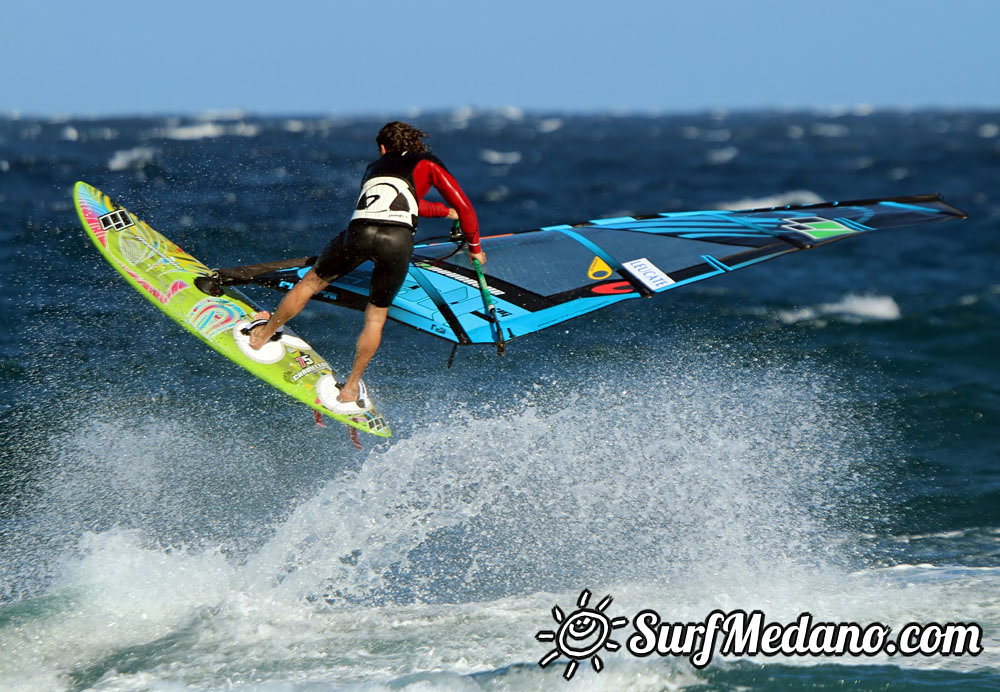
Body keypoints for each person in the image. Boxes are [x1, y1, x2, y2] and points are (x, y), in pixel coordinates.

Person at [246, 121, 485, 413]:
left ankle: (262, 335)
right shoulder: (428, 162)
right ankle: (350, 387)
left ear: (383, 148)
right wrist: (475, 249)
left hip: (360, 232)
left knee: (309, 283)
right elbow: (464, 208)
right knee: (376, 315)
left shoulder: (374, 167)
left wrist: (442, 212)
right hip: (396, 240)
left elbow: (396, 201)